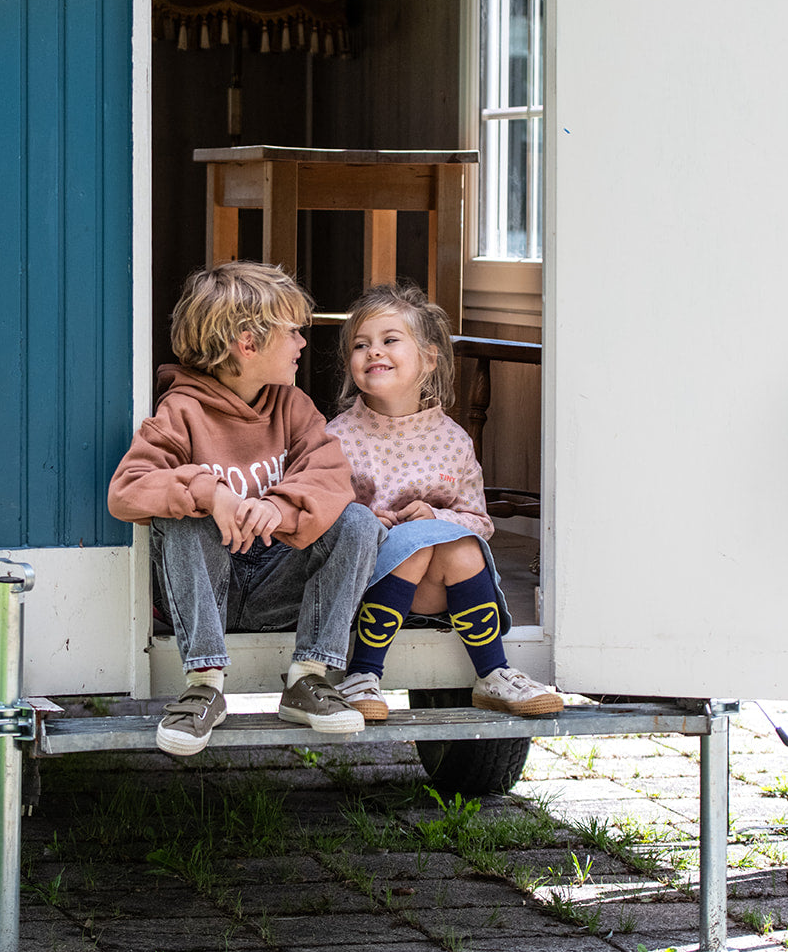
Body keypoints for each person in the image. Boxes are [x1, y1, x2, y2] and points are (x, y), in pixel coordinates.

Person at [108, 262, 383, 756]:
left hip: (276, 584)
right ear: (247, 342)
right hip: (204, 591)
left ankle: (309, 678)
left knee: (359, 521)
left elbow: (331, 475)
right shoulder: (181, 410)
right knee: (182, 520)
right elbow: (128, 489)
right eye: (293, 332)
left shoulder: (293, 405)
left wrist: (278, 508)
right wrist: (209, 494)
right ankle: (204, 685)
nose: (303, 342)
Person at [327, 281, 563, 722]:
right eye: (361, 345)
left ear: (429, 359)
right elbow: (321, 518)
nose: (374, 351)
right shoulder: (338, 437)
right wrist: (363, 518)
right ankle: (361, 673)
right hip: (367, 589)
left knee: (456, 542)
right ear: (350, 363)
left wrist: (436, 517)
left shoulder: (452, 441)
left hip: (435, 591)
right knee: (415, 541)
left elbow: (480, 521)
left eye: (390, 340)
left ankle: (493, 673)